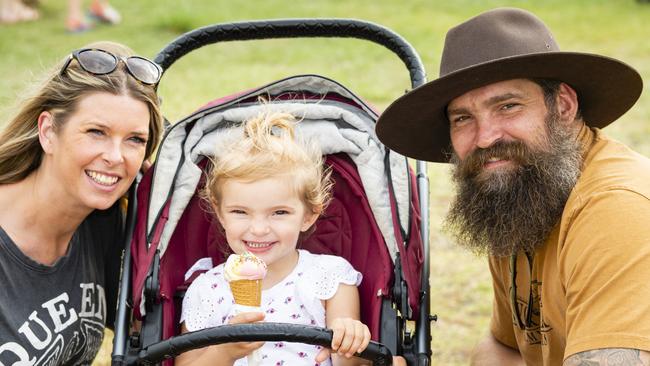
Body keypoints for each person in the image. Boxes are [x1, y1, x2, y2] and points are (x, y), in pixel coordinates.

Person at [376, 7, 650, 366]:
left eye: (508, 106)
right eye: (463, 118)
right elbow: (503, 347)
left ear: (564, 106)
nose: (486, 138)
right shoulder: (522, 193)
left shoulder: (618, 208)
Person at [0, 41, 163, 365]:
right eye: (96, 132)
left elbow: (144, 336)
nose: (116, 157)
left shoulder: (106, 220)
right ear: (47, 131)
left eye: (135, 140)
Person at [177, 110, 374, 366]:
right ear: (220, 213)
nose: (258, 229)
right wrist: (224, 352)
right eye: (240, 212)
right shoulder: (207, 289)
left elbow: (347, 365)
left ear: (309, 215)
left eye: (279, 212)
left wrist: (349, 340)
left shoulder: (329, 277)